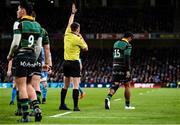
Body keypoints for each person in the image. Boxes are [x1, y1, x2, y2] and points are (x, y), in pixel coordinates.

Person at [7, 0, 42, 122]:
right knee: (28, 84)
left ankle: (25, 116)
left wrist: (10, 54)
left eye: (18, 9)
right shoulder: (38, 25)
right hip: (32, 57)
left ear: (23, 10)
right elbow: (38, 47)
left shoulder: (18, 23)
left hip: (21, 56)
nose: (17, 11)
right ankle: (37, 109)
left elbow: (16, 43)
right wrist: (34, 59)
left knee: (21, 86)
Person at [59, 3, 88, 111]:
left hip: (65, 63)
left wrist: (72, 13)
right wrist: (81, 38)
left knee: (65, 85)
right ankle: (75, 106)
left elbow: (69, 23)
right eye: (79, 29)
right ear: (77, 29)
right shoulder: (77, 38)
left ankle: (62, 104)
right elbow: (86, 48)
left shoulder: (67, 33)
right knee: (76, 85)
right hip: (75, 63)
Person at [105, 32, 135, 110]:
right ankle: (127, 106)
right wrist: (127, 70)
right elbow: (126, 58)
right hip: (123, 67)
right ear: (129, 38)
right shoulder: (127, 45)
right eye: (131, 39)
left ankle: (108, 98)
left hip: (115, 66)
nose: (131, 41)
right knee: (127, 85)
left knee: (115, 84)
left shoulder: (116, 43)